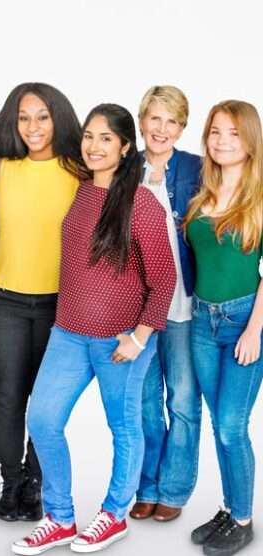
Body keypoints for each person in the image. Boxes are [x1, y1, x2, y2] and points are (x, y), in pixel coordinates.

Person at [14, 104, 176, 555]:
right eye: (89, 136)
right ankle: (60, 518)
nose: (94, 145)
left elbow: (164, 278)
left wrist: (140, 336)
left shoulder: (141, 202)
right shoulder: (82, 192)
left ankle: (114, 514)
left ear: (125, 148)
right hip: (68, 332)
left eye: (106, 138)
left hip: (121, 339)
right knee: (42, 420)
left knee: (123, 428)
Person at [0, 82, 84, 522]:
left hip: (59, 305)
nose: (33, 126)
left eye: (42, 116)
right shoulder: (1, 167)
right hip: (6, 299)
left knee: (46, 401)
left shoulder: (77, 170)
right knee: (10, 397)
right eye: (24, 117)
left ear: (58, 117)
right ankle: (11, 484)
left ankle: (35, 481)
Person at [184, 99, 263, 556]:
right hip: (200, 322)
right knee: (219, 424)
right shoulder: (202, 196)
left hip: (243, 322)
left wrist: (254, 331)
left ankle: (244, 519)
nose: (222, 141)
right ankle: (232, 507)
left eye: (233, 133)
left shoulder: (258, 198)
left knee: (233, 425)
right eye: (215, 131)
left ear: (250, 140)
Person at [129, 85, 204, 523]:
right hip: (138, 309)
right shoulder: (124, 168)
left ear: (181, 127)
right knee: (142, 404)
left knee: (180, 400)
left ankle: (174, 490)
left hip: (184, 307)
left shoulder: (196, 168)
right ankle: (147, 486)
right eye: (154, 119)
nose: (162, 129)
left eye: (171, 121)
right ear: (142, 121)